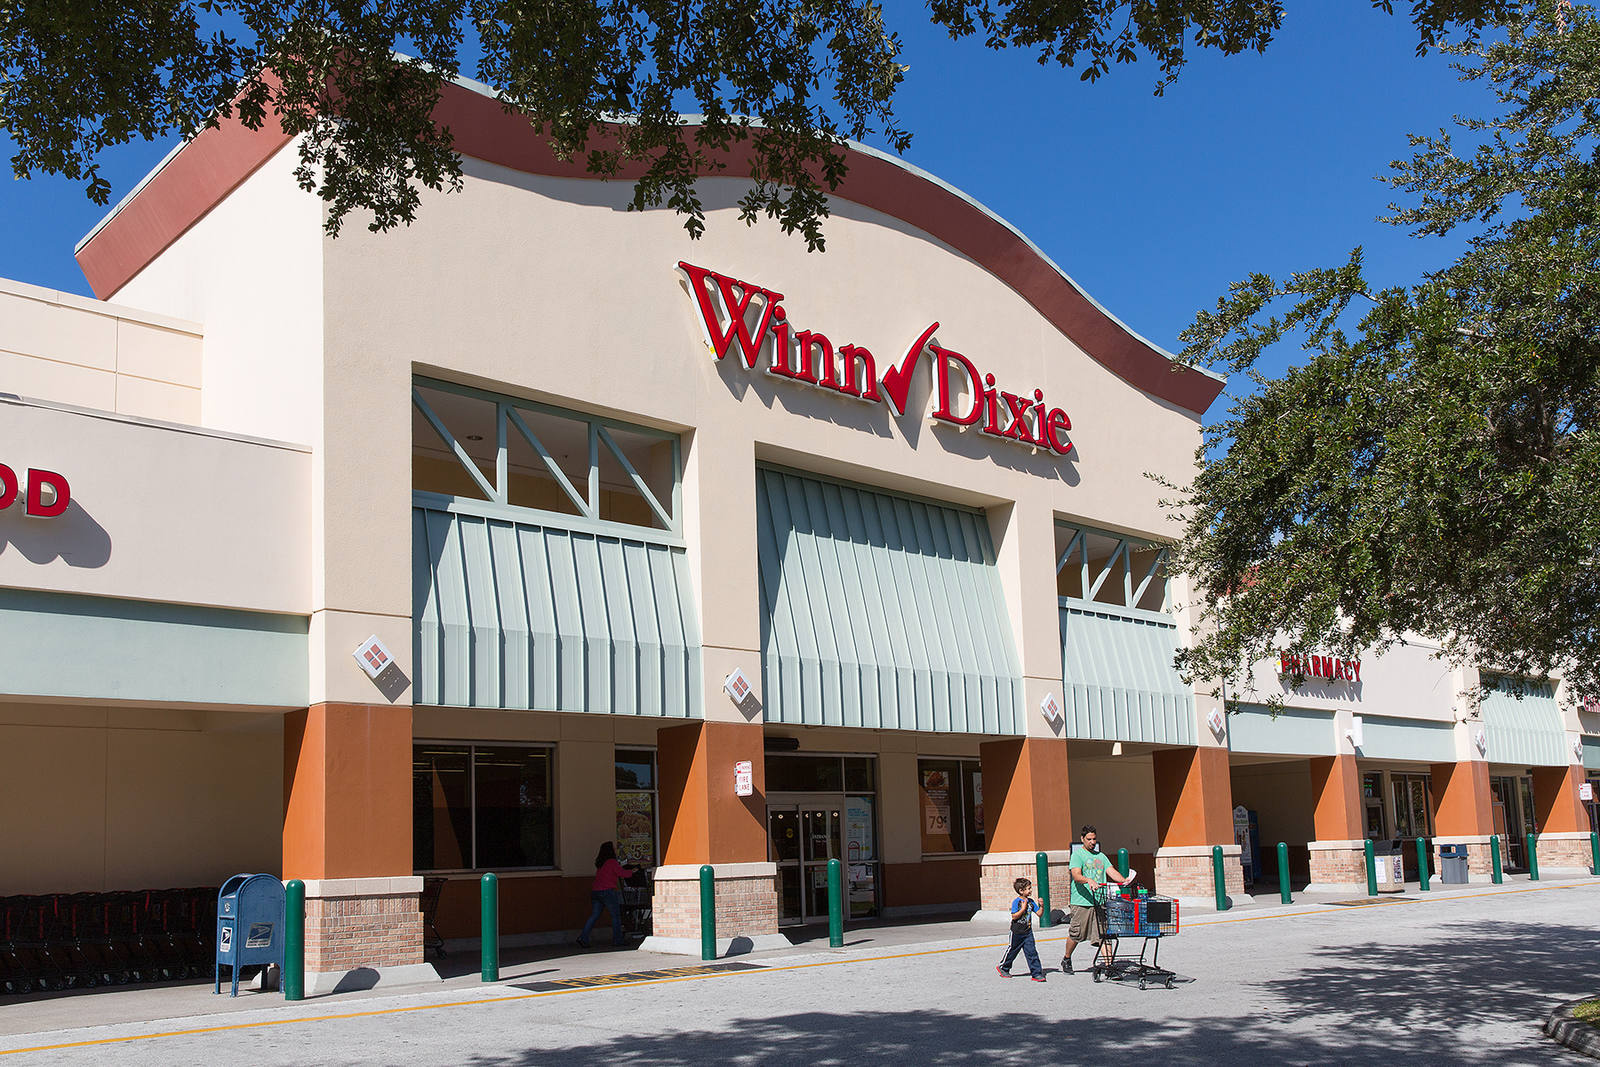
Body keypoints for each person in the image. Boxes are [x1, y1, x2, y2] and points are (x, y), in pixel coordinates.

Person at [1060, 824, 1132, 974]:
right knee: (1076, 934)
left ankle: (1109, 966)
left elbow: (1111, 871)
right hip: (1081, 902)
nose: (1092, 842)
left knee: (1105, 934)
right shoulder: (1077, 855)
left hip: (1099, 901)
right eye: (1089, 839)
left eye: (1094, 839)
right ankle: (1067, 958)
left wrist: (1124, 880)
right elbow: (1076, 875)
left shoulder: (1101, 856)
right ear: (1082, 839)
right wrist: (1089, 880)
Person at [575, 841, 634, 949]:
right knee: (615, 916)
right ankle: (618, 940)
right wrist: (633, 871)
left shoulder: (600, 863)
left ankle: (583, 937)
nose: (616, 850)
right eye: (614, 848)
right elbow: (622, 873)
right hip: (608, 892)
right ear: (611, 850)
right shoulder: (612, 862)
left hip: (596, 892)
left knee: (594, 916)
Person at [996, 876, 1047, 982]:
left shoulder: (1031, 902)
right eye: (1028, 888)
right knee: (1013, 950)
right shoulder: (1017, 902)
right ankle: (1004, 967)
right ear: (1021, 890)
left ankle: (1036, 973)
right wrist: (1023, 909)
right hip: (1017, 932)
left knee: (1032, 952)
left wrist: (1041, 906)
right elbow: (1014, 916)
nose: (1030, 890)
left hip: (1027, 932)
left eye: (1030, 888)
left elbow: (1039, 914)